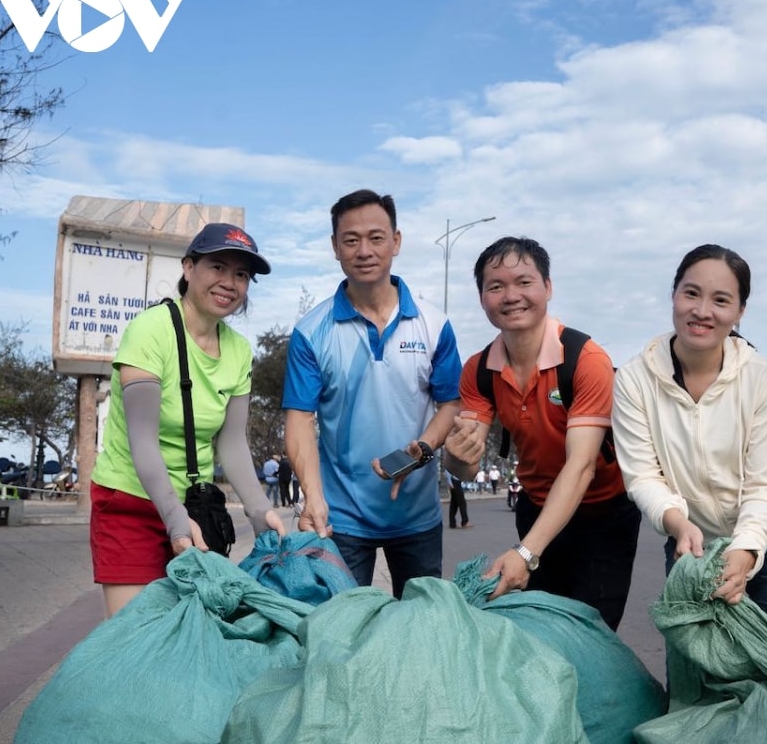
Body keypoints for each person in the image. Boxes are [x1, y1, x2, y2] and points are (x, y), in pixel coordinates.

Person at [612, 244, 767, 640]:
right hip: (689, 537)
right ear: (674, 295)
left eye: (721, 300)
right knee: (695, 662)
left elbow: (766, 484)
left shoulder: (763, 378)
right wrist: (677, 523)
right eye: (691, 293)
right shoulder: (634, 379)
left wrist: (746, 549)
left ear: (740, 311)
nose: (702, 311)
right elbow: (641, 475)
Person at [89, 222, 286, 618]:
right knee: (136, 634)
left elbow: (231, 443)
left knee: (196, 633)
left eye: (241, 274)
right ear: (188, 267)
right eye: (218, 267)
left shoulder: (239, 351)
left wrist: (259, 509)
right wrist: (175, 522)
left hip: (194, 508)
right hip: (131, 500)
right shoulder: (150, 330)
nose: (229, 282)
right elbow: (142, 440)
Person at [444, 236, 641, 631]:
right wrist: (454, 454)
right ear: (482, 298)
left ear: (547, 288)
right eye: (495, 286)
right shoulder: (478, 370)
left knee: (591, 633)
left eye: (524, 282)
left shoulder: (586, 360)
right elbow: (464, 470)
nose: (510, 295)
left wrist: (526, 552)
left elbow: (581, 466)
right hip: (536, 504)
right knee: (541, 628)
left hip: (602, 510)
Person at [282, 189, 462, 597]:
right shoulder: (311, 332)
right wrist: (312, 497)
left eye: (376, 237)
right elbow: (299, 420)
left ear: (396, 241)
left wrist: (423, 448)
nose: (364, 250)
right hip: (340, 518)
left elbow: (450, 403)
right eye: (351, 240)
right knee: (340, 636)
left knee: (423, 632)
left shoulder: (435, 325)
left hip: (418, 517)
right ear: (335, 247)